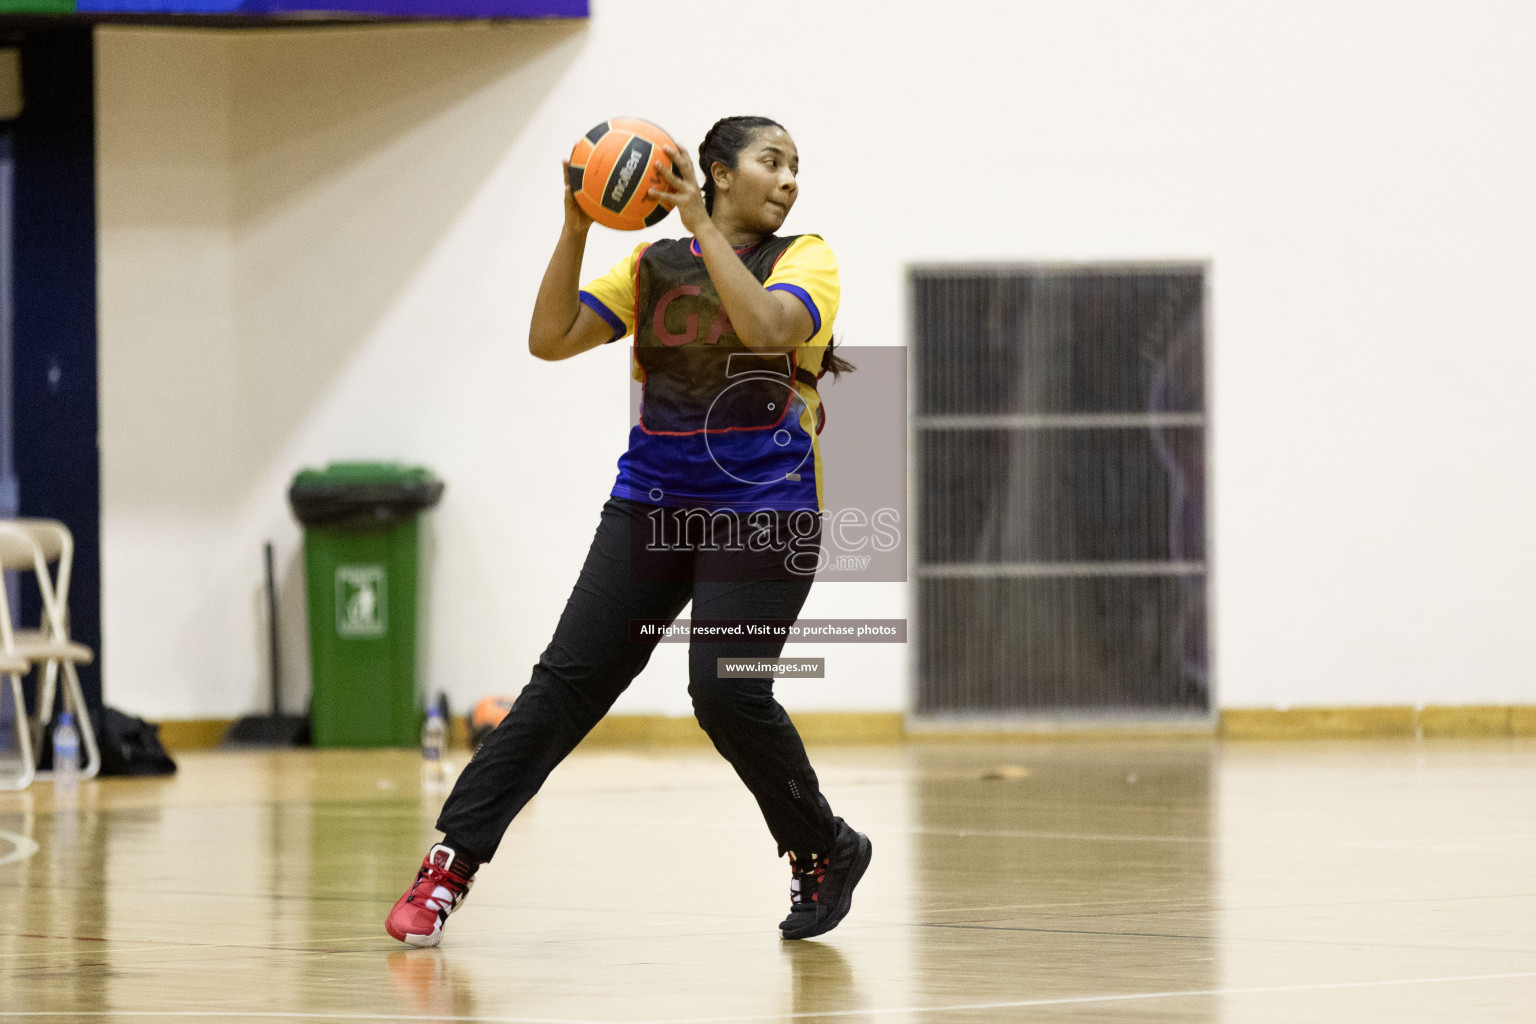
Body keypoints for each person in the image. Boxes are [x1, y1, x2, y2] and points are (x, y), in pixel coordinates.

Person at [385, 115, 870, 948]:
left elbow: (764, 328)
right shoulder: (652, 265)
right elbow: (549, 339)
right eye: (771, 161)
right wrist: (575, 227)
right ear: (717, 171)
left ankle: (821, 846)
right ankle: (450, 864)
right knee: (564, 684)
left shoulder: (807, 258)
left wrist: (698, 231)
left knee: (724, 691)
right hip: (652, 504)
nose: (790, 180)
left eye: (796, 167)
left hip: (764, 508)